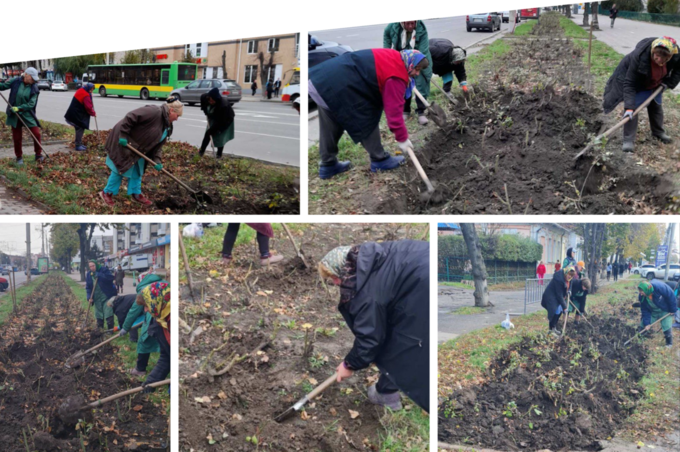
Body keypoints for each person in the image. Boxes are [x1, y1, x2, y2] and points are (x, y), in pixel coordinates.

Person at [318, 240, 429, 412]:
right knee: (399, 336)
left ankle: (387, 395)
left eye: (334, 277)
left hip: (422, 291)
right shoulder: (372, 256)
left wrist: (349, 365)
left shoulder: (367, 291)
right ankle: (387, 391)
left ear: (343, 268)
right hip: (422, 270)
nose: (335, 283)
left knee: (406, 342)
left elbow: (370, 337)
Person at [309, 49, 429, 179]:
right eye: (416, 69)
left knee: (330, 125)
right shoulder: (396, 75)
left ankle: (328, 164)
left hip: (318, 81)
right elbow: (393, 111)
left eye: (419, 71)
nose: (417, 73)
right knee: (366, 115)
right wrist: (402, 138)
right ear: (410, 63)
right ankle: (380, 159)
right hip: (339, 84)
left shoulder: (395, 56)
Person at [100, 97, 184, 207]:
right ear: (172, 110)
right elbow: (130, 117)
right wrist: (124, 135)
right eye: (177, 116)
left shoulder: (167, 126)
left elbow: (158, 145)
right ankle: (107, 192)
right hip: (125, 140)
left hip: (140, 147)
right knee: (120, 167)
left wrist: (157, 160)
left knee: (138, 168)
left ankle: (136, 193)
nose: (177, 119)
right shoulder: (154, 111)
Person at [603, 36, 679, 153]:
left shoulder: (675, 54)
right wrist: (628, 107)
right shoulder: (639, 57)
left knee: (656, 106)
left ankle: (658, 132)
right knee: (632, 109)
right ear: (653, 51)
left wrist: (668, 83)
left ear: (669, 57)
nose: (659, 60)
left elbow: (678, 70)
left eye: (663, 58)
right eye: (656, 56)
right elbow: (629, 83)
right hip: (638, 82)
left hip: (656, 82)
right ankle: (628, 140)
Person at [383, 21, 433, 125]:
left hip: (419, 58)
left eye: (412, 23)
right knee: (405, 83)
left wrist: (414, 66)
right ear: (402, 22)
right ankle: (406, 110)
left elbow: (422, 50)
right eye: (407, 24)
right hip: (402, 58)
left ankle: (421, 112)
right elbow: (386, 35)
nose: (410, 26)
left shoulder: (421, 29)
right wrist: (387, 51)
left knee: (421, 84)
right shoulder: (393, 26)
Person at [119, 272, 163, 376]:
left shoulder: (144, 291)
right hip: (166, 318)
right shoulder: (163, 283)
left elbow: (133, 311)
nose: (144, 309)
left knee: (144, 340)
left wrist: (125, 328)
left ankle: (140, 369)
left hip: (154, 318)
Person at [0, 67, 44, 165]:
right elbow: (2, 86)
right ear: (26, 75)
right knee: (17, 137)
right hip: (14, 114)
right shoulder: (15, 81)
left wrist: (19, 108)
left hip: (27, 113)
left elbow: (31, 104)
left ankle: (38, 154)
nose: (33, 80)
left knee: (36, 134)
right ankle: (19, 157)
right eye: (32, 78)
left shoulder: (34, 87)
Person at [138, 276, 171, 391]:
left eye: (146, 306)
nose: (145, 310)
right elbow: (166, 356)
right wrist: (150, 383)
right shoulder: (160, 321)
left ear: (156, 301)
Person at [637, 280, 677, 348]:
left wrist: (672, 309)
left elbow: (671, 295)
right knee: (643, 324)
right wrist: (647, 324)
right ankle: (640, 338)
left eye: (642, 292)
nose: (641, 293)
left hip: (665, 310)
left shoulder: (659, 287)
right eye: (640, 292)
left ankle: (669, 343)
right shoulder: (642, 297)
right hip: (653, 311)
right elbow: (645, 310)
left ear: (647, 290)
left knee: (666, 325)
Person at [198, 88, 234, 158]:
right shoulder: (204, 97)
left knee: (220, 137)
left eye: (213, 101)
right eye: (210, 100)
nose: (211, 102)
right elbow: (203, 104)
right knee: (207, 134)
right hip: (214, 118)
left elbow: (220, 122)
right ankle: (201, 152)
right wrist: (205, 111)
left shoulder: (223, 105)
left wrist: (212, 130)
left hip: (226, 120)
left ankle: (219, 155)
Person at [541, 266, 576, 336]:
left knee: (559, 311)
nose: (569, 277)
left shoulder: (570, 278)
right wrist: (565, 307)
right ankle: (551, 330)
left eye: (571, 276)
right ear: (566, 273)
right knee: (555, 311)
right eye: (569, 274)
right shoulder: (559, 279)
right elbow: (559, 295)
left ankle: (554, 328)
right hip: (551, 296)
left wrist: (569, 291)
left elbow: (570, 284)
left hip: (558, 296)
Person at [64, 82, 96, 151]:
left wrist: (90, 94)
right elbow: (88, 107)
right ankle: (78, 145)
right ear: (88, 88)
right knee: (80, 127)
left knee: (78, 127)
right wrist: (93, 113)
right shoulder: (85, 95)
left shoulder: (81, 90)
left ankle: (79, 143)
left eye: (92, 90)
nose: (91, 91)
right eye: (90, 90)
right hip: (76, 114)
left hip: (74, 112)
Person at [85, 260, 117, 330]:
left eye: (93, 266)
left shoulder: (103, 270)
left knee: (108, 313)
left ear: (96, 264)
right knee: (98, 314)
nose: (92, 268)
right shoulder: (89, 274)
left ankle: (110, 329)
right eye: (90, 266)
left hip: (106, 296)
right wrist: (89, 297)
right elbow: (88, 287)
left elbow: (110, 278)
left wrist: (99, 274)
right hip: (96, 298)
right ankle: (100, 329)